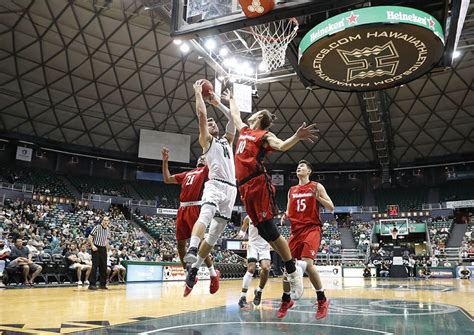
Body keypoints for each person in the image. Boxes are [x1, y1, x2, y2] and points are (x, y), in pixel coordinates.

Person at [229, 92, 318, 309]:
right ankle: (291, 266)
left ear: (259, 117)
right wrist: (231, 96)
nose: (250, 115)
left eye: (255, 113)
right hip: (244, 187)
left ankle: (291, 269)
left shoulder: (264, 135)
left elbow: (282, 145)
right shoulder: (245, 131)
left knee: (269, 228)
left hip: (258, 184)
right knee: (264, 232)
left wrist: (297, 136)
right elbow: (235, 115)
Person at [182, 81, 237, 296]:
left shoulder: (227, 141)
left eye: (215, 122)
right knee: (205, 216)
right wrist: (198, 94)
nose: (212, 122)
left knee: (213, 237)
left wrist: (217, 103)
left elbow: (233, 119)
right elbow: (202, 117)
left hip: (231, 190)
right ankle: (193, 248)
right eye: (210, 122)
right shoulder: (207, 141)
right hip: (214, 185)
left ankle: (194, 271)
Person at [280, 160, 333, 319]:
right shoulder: (292, 190)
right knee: (287, 269)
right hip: (295, 231)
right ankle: (286, 300)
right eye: (298, 166)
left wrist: (319, 199)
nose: (299, 167)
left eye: (302, 166)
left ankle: (322, 300)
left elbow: (331, 207)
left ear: (309, 171)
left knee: (308, 264)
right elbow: (290, 210)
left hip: (312, 228)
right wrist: (284, 214)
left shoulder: (316, 186)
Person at [161, 148, 215, 273]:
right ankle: (187, 272)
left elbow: (213, 157)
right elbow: (167, 179)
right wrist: (165, 162)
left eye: (204, 157)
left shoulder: (206, 171)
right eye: (200, 157)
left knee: (199, 243)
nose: (202, 158)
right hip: (182, 208)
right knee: (180, 244)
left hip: (195, 206)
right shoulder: (187, 173)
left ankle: (212, 271)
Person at [237, 215, 271, 309]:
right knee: (251, 268)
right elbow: (242, 231)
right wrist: (241, 234)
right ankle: (242, 297)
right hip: (252, 245)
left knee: (265, 268)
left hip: (264, 246)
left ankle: (259, 291)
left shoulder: (267, 216)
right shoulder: (248, 218)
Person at [88, 216, 110, 290]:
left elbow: (106, 240)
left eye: (107, 220)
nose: (105, 221)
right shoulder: (97, 227)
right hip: (96, 248)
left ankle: (102, 284)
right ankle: (91, 284)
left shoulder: (108, 229)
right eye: (104, 220)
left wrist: (107, 250)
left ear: (108, 222)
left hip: (103, 248)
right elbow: (90, 237)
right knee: (95, 266)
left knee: (104, 267)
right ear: (102, 220)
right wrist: (92, 245)